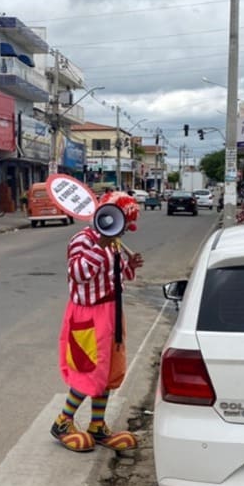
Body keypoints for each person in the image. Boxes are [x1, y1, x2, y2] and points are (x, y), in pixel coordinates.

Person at [51, 191, 143, 453]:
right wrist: (101, 244)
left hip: (112, 310)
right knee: (88, 370)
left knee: (108, 371)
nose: (122, 233)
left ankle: (97, 425)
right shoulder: (82, 240)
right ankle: (62, 422)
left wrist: (130, 266)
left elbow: (114, 275)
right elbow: (79, 274)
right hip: (88, 315)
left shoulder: (113, 242)